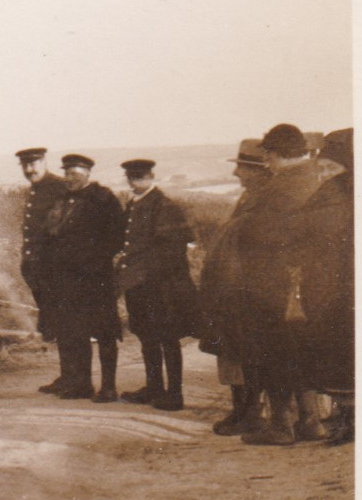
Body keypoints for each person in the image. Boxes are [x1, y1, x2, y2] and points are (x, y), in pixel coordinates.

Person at [234, 124, 325, 445]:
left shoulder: (280, 188)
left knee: (275, 353)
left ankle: (281, 426)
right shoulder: (315, 180)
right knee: (301, 352)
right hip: (306, 284)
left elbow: (258, 235)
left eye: (269, 156)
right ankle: (310, 421)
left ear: (277, 155)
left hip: (274, 284)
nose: (267, 163)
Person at [197, 139, 272, 435]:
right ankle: (241, 410)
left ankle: (251, 412)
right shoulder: (249, 197)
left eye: (241, 167)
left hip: (248, 288)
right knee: (231, 350)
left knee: (248, 352)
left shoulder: (263, 199)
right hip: (232, 288)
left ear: (256, 170)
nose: (236, 174)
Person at [115, 159, 200, 411]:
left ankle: (174, 394)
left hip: (161, 286)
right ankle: (154, 388)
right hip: (138, 284)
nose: (135, 181)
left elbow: (172, 250)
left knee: (168, 338)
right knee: (146, 336)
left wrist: (144, 272)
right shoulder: (133, 204)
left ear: (152, 176)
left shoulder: (164, 206)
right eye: (131, 177)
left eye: (140, 177)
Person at [42, 154, 124, 401]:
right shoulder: (62, 200)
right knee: (76, 332)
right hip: (68, 279)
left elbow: (117, 237)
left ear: (88, 173)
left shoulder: (104, 198)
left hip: (96, 278)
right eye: (66, 174)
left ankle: (108, 387)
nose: (69, 179)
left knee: (104, 332)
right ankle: (83, 384)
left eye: (75, 174)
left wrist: (93, 259)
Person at [296, 128, 354, 445]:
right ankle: (344, 417)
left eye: (333, 168)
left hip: (345, 288)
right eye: (324, 168)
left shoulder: (344, 199)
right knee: (336, 357)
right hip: (329, 287)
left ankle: (351, 422)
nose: (327, 175)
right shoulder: (330, 196)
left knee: (347, 357)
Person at [15, 148, 69, 392]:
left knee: (65, 323)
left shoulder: (58, 188)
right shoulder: (34, 190)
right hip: (40, 270)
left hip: (56, 268)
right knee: (56, 322)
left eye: (34, 164)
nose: (30, 170)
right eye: (25, 166)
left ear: (45, 162)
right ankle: (68, 376)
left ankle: (76, 378)